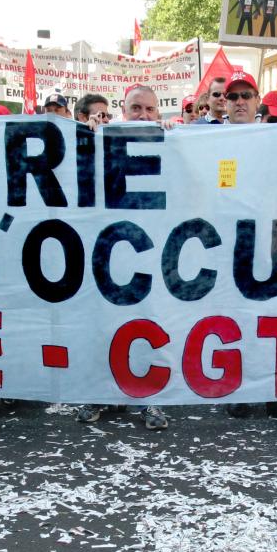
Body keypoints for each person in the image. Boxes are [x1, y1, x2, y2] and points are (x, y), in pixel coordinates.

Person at [75, 85, 172, 431]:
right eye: (136, 109)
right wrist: (86, 138)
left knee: (150, 323)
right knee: (104, 325)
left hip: (152, 252)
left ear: (158, 114)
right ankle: (100, 392)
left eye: (149, 109)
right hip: (109, 252)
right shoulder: (101, 142)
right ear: (122, 111)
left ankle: (151, 399)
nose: (143, 116)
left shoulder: (170, 142)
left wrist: (179, 142)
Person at [216, 71, 277, 424]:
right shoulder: (206, 139)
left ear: (257, 102)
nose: (240, 102)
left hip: (275, 240)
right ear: (224, 103)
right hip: (229, 243)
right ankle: (240, 391)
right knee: (236, 318)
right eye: (233, 96)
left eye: (246, 96)